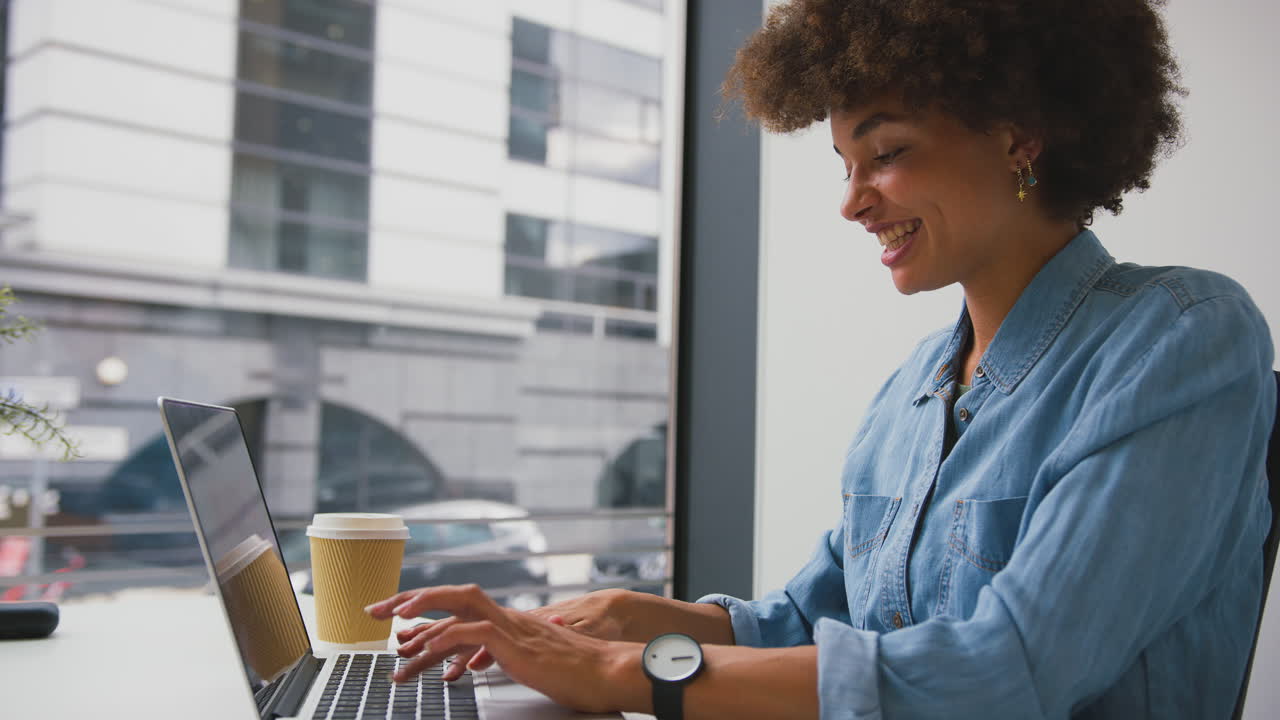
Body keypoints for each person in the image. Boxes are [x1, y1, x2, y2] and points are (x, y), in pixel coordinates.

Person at [366, 1, 1276, 717]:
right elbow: (805, 622)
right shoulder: (912, 393)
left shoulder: (1183, 338)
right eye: (843, 164)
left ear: (1018, 135)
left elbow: (1011, 671)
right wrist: (625, 618)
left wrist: (626, 671)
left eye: (885, 153)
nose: (852, 203)